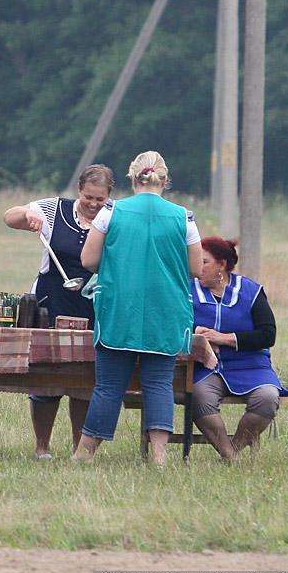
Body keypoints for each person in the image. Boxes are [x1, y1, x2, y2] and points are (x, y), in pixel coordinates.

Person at [74, 151, 202, 466]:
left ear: (133, 180)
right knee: (159, 382)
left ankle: (84, 453)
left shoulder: (110, 212)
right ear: (165, 180)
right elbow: (197, 268)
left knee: (109, 385)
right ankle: (159, 456)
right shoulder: (184, 217)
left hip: (120, 309)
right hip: (166, 311)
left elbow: (88, 261)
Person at [3, 164, 114, 460]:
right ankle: (42, 446)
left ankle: (79, 446)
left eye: (99, 199)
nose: (93, 204)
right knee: (47, 376)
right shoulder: (54, 209)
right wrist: (28, 216)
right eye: (88, 197)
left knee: (84, 379)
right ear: (79, 190)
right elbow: (9, 216)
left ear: (108, 197)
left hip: (95, 305)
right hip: (51, 303)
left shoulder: (116, 216)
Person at [191, 236, 288, 460]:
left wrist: (225, 338)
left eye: (204, 261)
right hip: (206, 367)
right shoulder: (187, 291)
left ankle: (233, 449)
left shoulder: (250, 291)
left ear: (222, 265)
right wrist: (197, 334)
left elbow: (268, 334)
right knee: (199, 396)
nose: (197, 266)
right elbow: (171, 324)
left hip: (251, 366)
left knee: (267, 398)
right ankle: (230, 458)